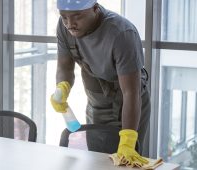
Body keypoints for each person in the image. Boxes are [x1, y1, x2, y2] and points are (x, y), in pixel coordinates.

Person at [51, 0, 151, 167]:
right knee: (98, 161)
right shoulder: (64, 27)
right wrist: (62, 87)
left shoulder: (122, 33)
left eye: (77, 16)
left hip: (129, 102)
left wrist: (127, 141)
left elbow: (131, 93)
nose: (70, 24)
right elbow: (65, 67)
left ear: (95, 9)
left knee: (127, 162)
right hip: (97, 100)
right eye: (64, 17)